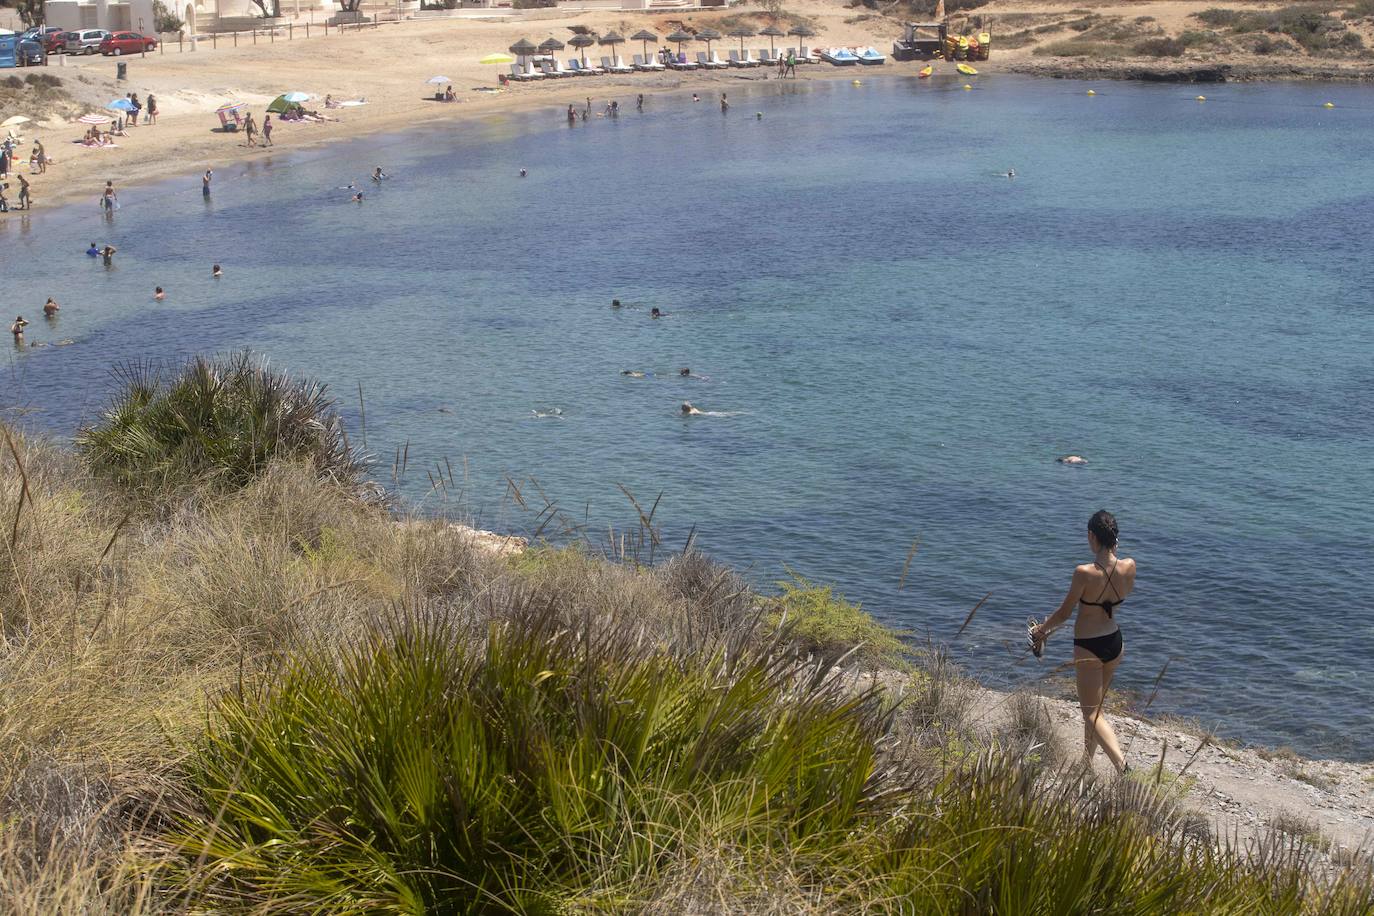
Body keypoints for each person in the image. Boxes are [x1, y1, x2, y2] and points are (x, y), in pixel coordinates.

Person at [1029, 511, 1135, 775]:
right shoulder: (1129, 566)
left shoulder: (1084, 573)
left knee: (1091, 713)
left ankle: (1122, 767)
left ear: (1091, 536)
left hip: (1089, 646)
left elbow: (1065, 613)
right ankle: (1086, 764)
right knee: (1096, 710)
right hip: (1115, 642)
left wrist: (1042, 630)